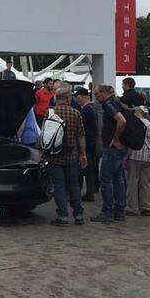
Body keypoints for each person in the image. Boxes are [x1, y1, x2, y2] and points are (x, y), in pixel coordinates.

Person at [46, 88, 87, 225]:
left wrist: (43, 153)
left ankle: (62, 215)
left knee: (59, 186)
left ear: (56, 98)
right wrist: (83, 154)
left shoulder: (50, 113)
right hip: (72, 155)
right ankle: (78, 214)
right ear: (68, 99)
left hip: (55, 155)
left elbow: (44, 135)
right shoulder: (76, 113)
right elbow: (81, 135)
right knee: (74, 185)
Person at [93, 84, 129, 223]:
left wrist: (114, 138)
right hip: (120, 148)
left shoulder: (109, 105)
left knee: (106, 179)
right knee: (118, 178)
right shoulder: (116, 102)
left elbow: (121, 120)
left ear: (103, 93)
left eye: (96, 94)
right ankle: (119, 210)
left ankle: (107, 211)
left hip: (112, 148)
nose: (95, 97)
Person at [125, 107, 150, 217]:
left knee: (133, 182)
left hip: (135, 156)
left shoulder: (134, 126)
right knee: (145, 183)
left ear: (138, 113)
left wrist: (125, 158)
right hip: (148, 158)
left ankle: (133, 207)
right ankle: (145, 207)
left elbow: (129, 144)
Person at [76, 88, 101, 202]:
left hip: (87, 143)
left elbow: (78, 125)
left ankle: (87, 192)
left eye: (77, 97)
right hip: (92, 142)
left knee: (86, 168)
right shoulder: (93, 108)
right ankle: (91, 190)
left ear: (81, 96)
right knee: (90, 169)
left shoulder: (86, 110)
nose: (76, 99)